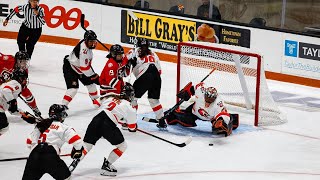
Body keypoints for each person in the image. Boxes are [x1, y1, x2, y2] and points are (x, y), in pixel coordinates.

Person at [79, 83, 136, 176]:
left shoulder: (110, 96)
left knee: (86, 146)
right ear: (131, 95)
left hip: (96, 120)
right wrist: (131, 125)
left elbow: (96, 103)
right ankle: (106, 166)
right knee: (122, 146)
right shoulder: (130, 107)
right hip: (108, 125)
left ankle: (72, 165)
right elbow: (132, 128)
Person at [22, 104, 86, 180]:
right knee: (66, 178)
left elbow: (29, 142)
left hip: (34, 155)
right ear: (60, 115)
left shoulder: (41, 125)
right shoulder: (64, 127)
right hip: (50, 156)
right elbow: (78, 142)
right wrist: (76, 152)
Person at [164, 82, 239, 137]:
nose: (207, 103)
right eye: (207, 100)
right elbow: (193, 88)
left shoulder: (219, 103)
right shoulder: (201, 90)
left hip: (211, 117)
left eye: (210, 101)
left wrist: (221, 121)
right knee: (185, 121)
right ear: (205, 94)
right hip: (194, 111)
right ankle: (171, 114)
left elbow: (223, 114)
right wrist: (187, 92)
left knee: (221, 128)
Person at [129, 38, 164, 127]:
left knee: (133, 98)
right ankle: (161, 121)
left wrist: (132, 63)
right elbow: (159, 71)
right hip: (156, 76)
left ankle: (130, 121)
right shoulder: (154, 54)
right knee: (154, 100)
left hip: (145, 75)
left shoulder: (134, 52)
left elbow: (125, 65)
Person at [62, 30, 101, 109]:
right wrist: (94, 76)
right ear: (86, 40)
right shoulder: (84, 51)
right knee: (73, 89)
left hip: (80, 67)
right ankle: (63, 106)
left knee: (91, 85)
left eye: (94, 41)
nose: (93, 43)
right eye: (91, 41)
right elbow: (84, 68)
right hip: (70, 67)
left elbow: (86, 67)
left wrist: (93, 76)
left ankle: (96, 100)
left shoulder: (86, 43)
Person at [0, 51, 41, 117]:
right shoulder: (7, 60)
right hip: (4, 88)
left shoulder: (23, 72)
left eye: (26, 61)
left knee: (11, 108)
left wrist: (34, 108)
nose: (25, 64)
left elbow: (24, 90)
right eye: (22, 61)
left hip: (6, 89)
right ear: (17, 61)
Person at [0, 69, 37, 136]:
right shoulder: (16, 84)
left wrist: (25, 116)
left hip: (1, 108)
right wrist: (12, 101)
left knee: (4, 127)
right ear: (20, 78)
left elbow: (12, 110)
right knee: (4, 126)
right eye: (25, 79)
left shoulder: (11, 85)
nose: (25, 81)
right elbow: (6, 90)